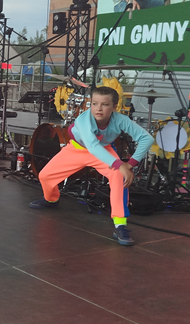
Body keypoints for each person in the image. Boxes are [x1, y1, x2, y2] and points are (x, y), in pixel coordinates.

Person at [30, 86, 154, 246]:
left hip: (104, 149)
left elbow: (147, 138)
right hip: (77, 149)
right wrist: (119, 164)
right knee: (45, 176)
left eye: (105, 104)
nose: (98, 108)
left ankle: (120, 225)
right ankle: (51, 199)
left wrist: (130, 164)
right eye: (95, 103)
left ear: (114, 107)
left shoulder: (120, 120)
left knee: (119, 176)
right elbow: (92, 146)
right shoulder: (84, 119)